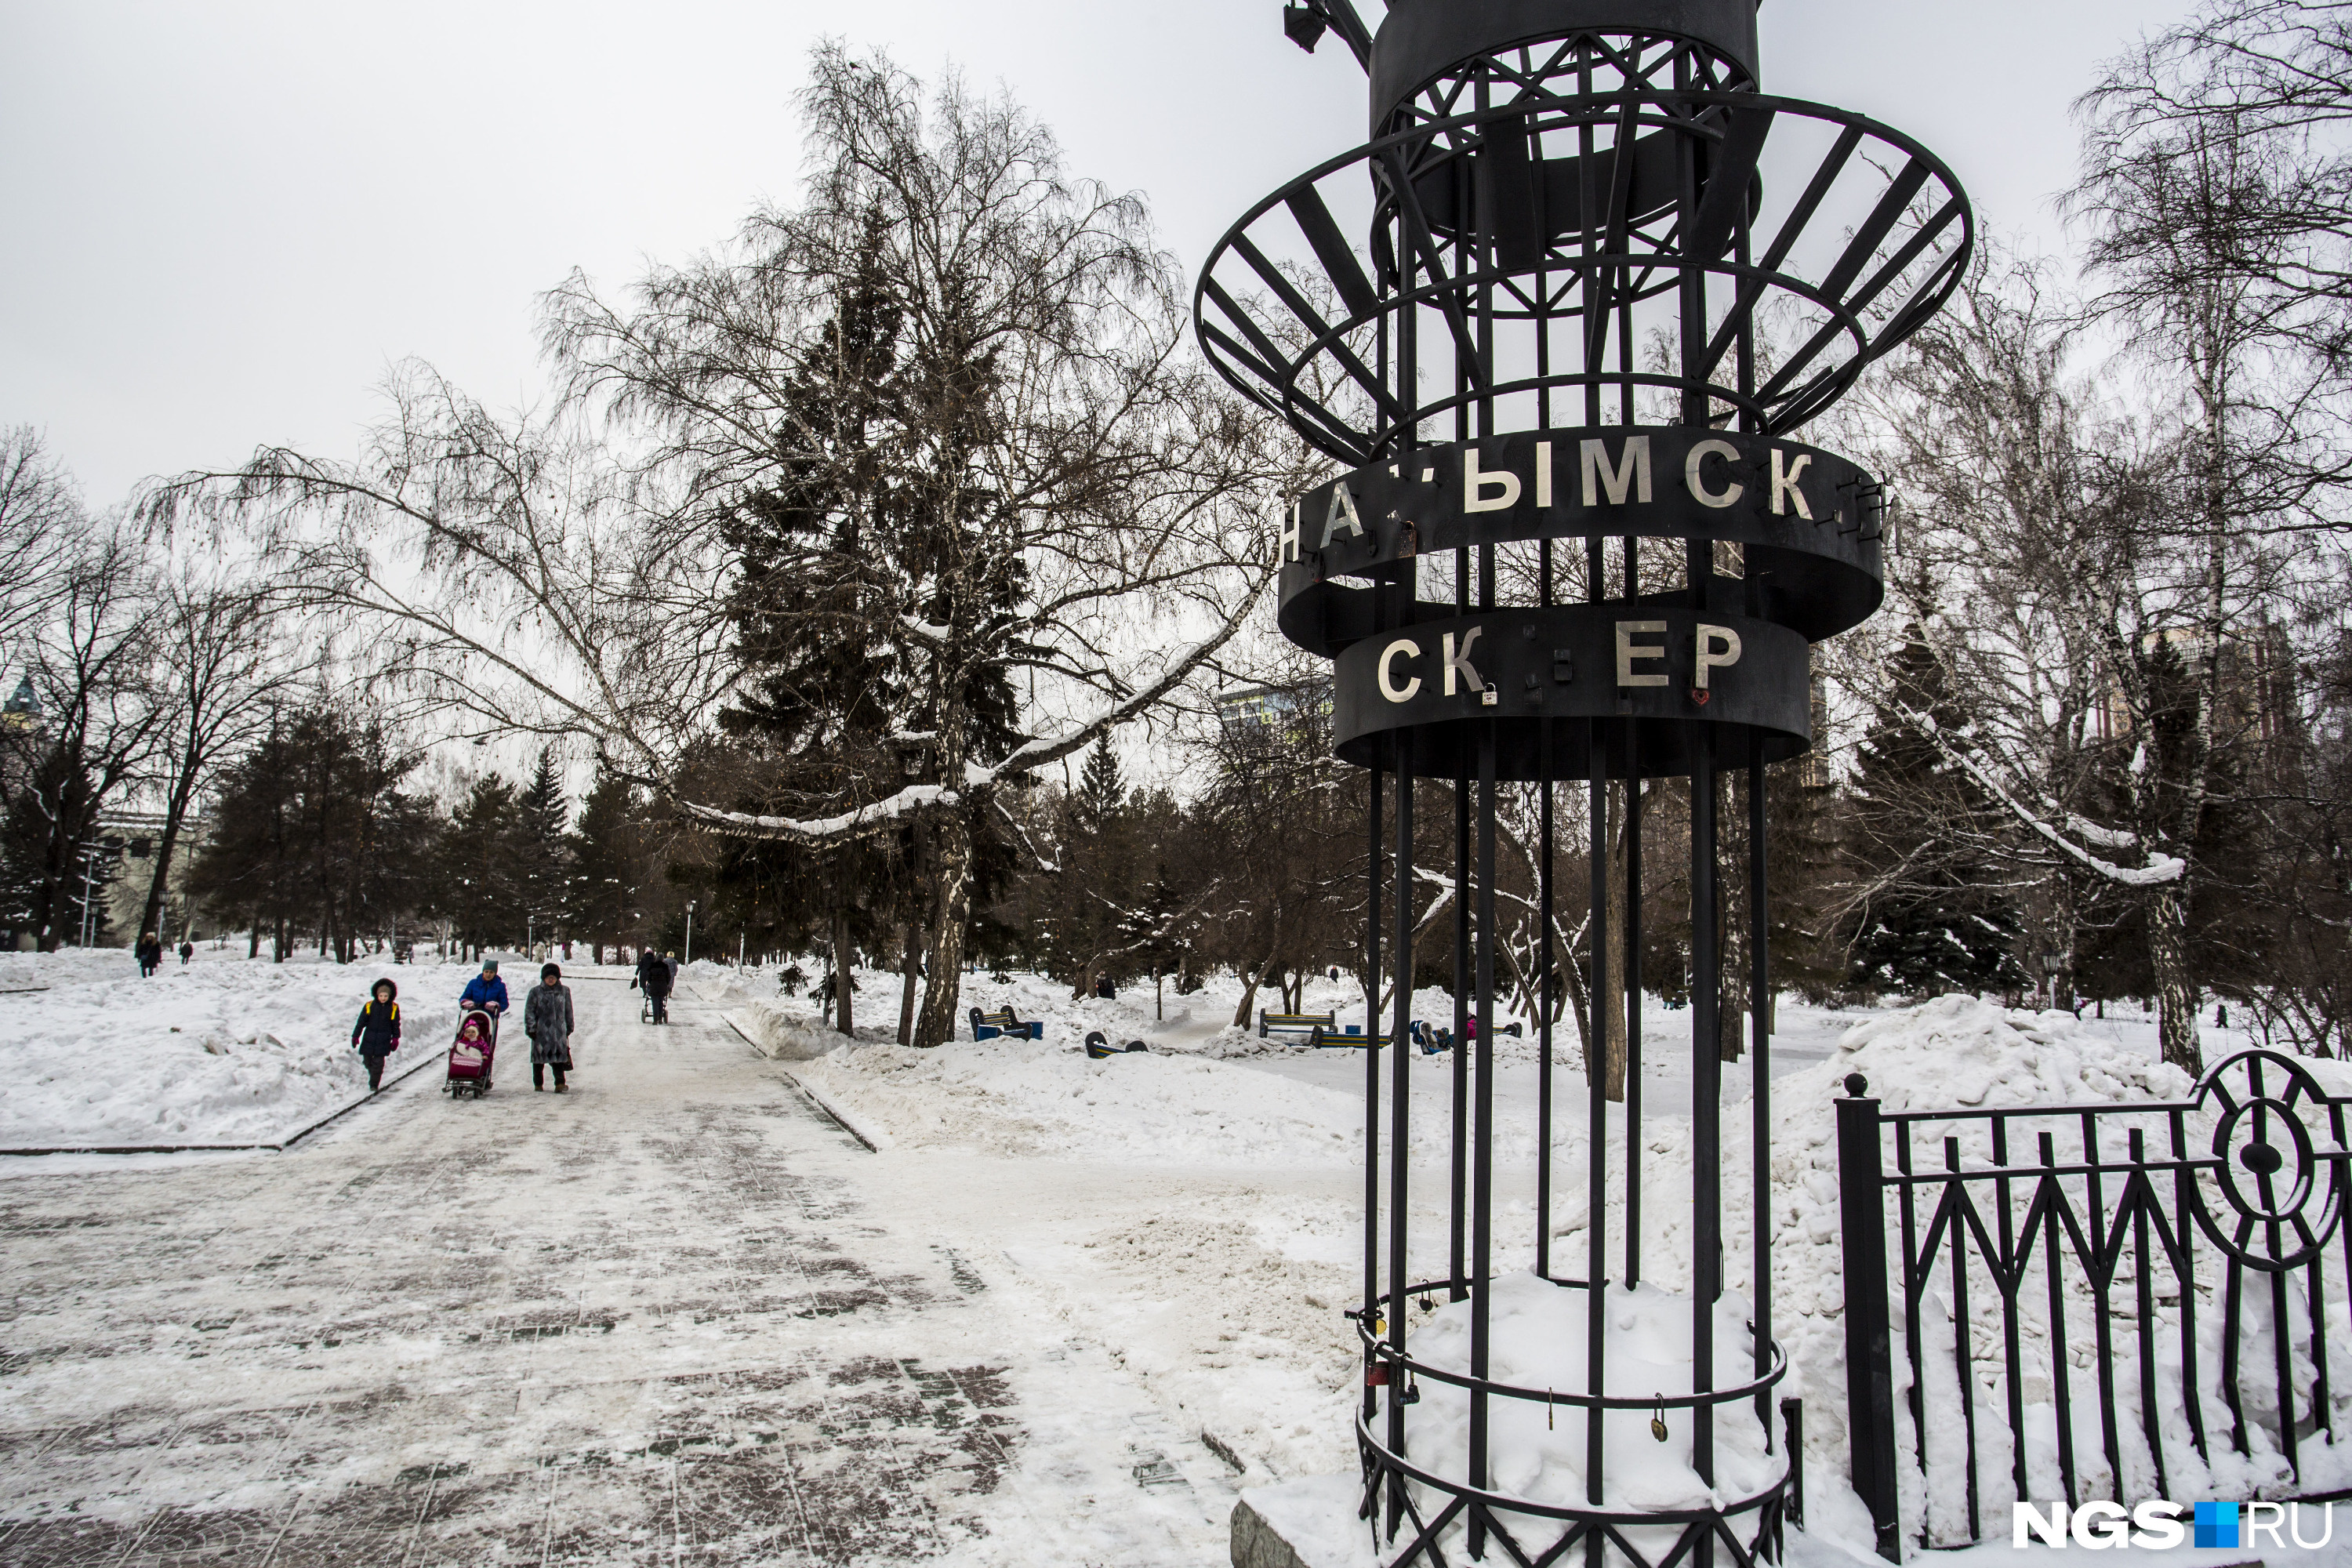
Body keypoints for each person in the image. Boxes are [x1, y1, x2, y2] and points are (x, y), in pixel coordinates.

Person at [524, 962, 575, 1093]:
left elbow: (568, 1010)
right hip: (540, 1031)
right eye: (548, 977)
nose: (551, 979)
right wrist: (531, 1028)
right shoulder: (535, 992)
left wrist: (569, 1027)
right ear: (543, 977)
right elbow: (529, 1011)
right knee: (538, 1060)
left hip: (558, 1032)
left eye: (553, 976)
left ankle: (560, 1083)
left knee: (558, 1059)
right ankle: (538, 1084)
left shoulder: (564, 991)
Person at [351, 978, 401, 1091]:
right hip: (369, 1037)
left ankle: (374, 1084)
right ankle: (373, 1074)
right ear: (377, 995)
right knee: (367, 1061)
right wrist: (355, 1036)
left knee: (378, 1063)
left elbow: (395, 1024)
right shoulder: (369, 1006)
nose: (383, 998)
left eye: (385, 996)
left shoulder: (393, 1008)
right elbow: (361, 1022)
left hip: (384, 1039)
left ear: (389, 996)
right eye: (381, 996)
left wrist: (395, 1038)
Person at [459, 959, 509, 1025]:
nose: (488, 974)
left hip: (490, 1019)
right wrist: (466, 1003)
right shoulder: (473, 983)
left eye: (491, 972)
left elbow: (504, 1003)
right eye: (486, 972)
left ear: (495, 973)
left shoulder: (500, 986)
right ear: (483, 972)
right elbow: (464, 997)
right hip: (473, 1016)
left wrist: (496, 1006)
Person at [634, 946, 672, 1023]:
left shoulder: (652, 966)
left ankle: (655, 1019)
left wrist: (651, 983)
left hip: (654, 987)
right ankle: (660, 1019)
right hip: (662, 987)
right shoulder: (665, 967)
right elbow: (669, 977)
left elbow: (649, 977)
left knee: (655, 1003)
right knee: (661, 1003)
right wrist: (666, 983)